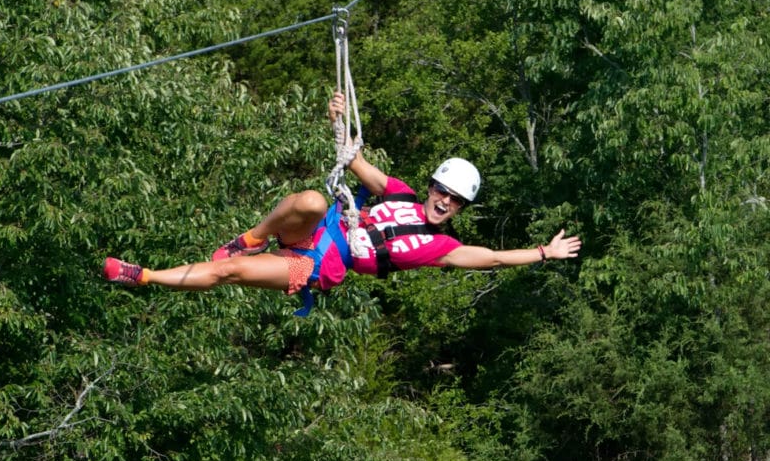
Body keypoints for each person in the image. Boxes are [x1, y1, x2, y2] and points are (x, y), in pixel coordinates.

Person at [103, 92, 582, 307]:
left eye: (455, 202)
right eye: (443, 191)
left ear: (459, 210)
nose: (444, 203)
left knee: (229, 272)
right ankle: (253, 236)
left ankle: (142, 276)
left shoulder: (441, 249)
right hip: (317, 229)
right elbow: (353, 160)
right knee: (311, 199)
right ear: (432, 186)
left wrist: (543, 252)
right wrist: (337, 117)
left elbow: (494, 258)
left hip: (318, 267)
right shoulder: (401, 193)